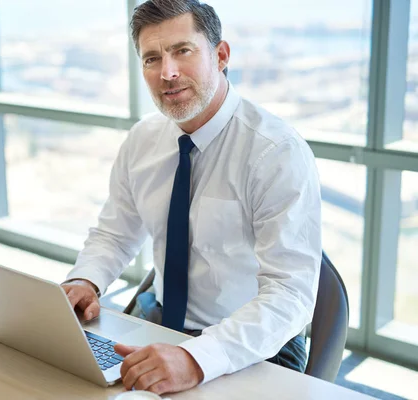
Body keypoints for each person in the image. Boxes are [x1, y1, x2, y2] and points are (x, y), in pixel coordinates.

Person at [61, 0, 322, 395]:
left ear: (220, 55)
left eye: (182, 51)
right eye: (152, 58)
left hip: (250, 342)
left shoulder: (275, 153)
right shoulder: (142, 141)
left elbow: (291, 294)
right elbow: (115, 233)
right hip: (160, 319)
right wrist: (86, 279)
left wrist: (198, 358)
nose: (167, 72)